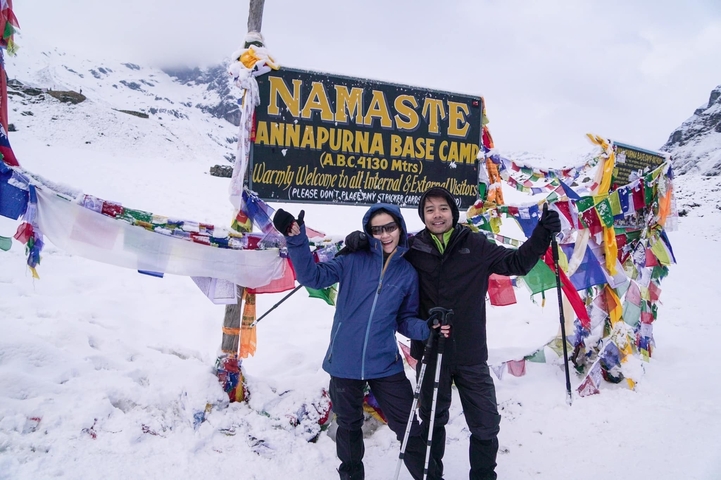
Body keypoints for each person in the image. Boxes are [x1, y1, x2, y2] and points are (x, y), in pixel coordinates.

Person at [344, 187, 561, 480]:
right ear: (423, 215)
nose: (437, 215)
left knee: (485, 423)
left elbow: (517, 263)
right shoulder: (412, 248)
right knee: (432, 422)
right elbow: (380, 257)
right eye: (430, 209)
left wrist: (542, 234)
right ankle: (432, 476)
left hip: (470, 352)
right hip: (431, 351)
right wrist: (358, 244)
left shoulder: (476, 244)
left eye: (443, 208)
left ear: (453, 212)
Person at [273, 203, 449, 480]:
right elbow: (312, 277)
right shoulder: (352, 259)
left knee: (408, 427)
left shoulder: (406, 273)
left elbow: (405, 319)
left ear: (400, 228)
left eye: (390, 227)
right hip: (344, 362)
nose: (384, 235)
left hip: (385, 363)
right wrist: (296, 240)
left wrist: (428, 329)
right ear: (369, 232)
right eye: (376, 230)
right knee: (349, 426)